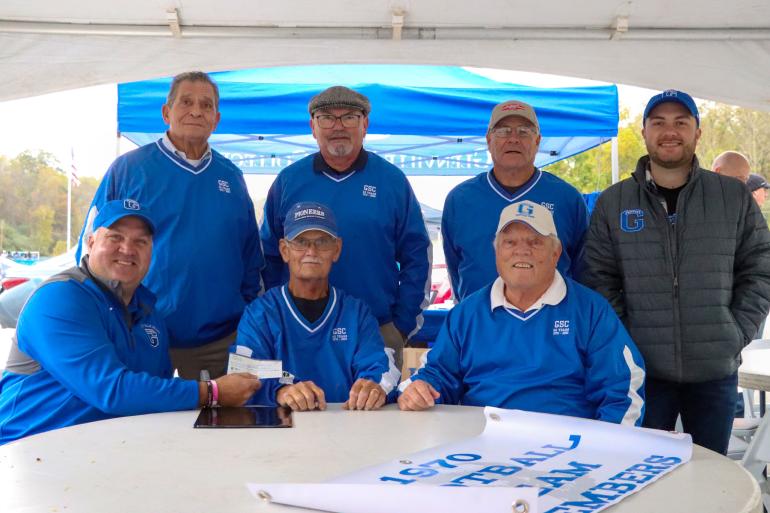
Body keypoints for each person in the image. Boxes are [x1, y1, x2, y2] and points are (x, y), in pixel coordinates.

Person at [582, 89, 770, 454]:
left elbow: (760, 267)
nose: (670, 131)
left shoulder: (732, 197)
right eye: (659, 123)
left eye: (680, 122)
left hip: (714, 370)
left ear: (697, 132)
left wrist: (735, 331)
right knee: (643, 476)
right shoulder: (614, 201)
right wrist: (628, 339)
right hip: (642, 374)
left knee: (712, 473)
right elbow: (599, 277)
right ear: (644, 132)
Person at [0, 200, 261, 445]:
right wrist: (213, 393)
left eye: (141, 241)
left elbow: (152, 394)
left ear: (151, 252)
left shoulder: (150, 313)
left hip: (108, 452)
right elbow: (110, 390)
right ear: (90, 242)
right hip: (29, 449)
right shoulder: (60, 298)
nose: (127, 249)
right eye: (115, 237)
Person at [76, 71, 264, 380]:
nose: (195, 111)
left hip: (218, 341)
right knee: (142, 423)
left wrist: (241, 313)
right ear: (167, 112)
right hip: (140, 333)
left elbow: (250, 259)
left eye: (206, 105)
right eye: (186, 102)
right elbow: (91, 246)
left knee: (219, 424)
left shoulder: (231, 176)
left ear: (216, 119)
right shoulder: (129, 168)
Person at [398, 200, 645, 426]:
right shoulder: (467, 314)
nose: (521, 251)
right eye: (510, 242)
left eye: (535, 242)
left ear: (556, 254)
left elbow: (623, 389)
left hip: (565, 450)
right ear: (497, 252)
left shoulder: (590, 310)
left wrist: (607, 450)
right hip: (482, 445)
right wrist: (420, 389)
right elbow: (436, 374)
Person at [260, 86, 431, 370]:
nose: (338, 126)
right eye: (326, 117)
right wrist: (278, 318)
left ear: (365, 125)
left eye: (349, 117)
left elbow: (417, 256)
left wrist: (401, 325)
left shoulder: (392, 181)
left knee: (373, 409)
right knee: (298, 406)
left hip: (378, 330)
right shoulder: (288, 181)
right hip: (298, 329)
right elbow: (267, 257)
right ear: (313, 127)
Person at [235, 202, 398, 411]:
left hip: (346, 428)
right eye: (301, 242)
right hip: (281, 429)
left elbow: (380, 367)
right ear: (285, 250)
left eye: (322, 242)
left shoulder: (356, 313)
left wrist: (374, 388)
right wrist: (279, 391)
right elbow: (242, 377)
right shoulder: (260, 314)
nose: (311, 251)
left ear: (336, 249)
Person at [442, 100, 589, 302]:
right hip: (480, 327)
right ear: (488, 140)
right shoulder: (459, 200)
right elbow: (455, 269)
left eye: (523, 131)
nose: (513, 139)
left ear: (537, 141)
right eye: (503, 131)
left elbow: (584, 273)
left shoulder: (567, 198)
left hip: (550, 327)